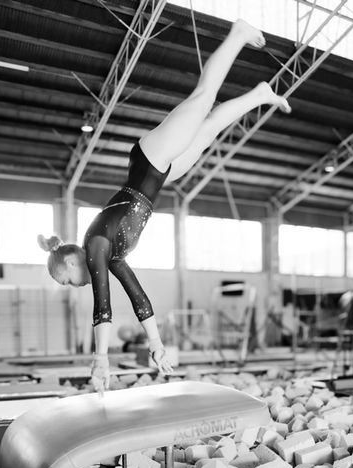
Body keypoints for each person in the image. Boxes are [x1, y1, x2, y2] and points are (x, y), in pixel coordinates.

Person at [38, 19, 291, 393]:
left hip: (150, 160)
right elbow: (137, 296)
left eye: (65, 280)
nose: (72, 285)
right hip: (159, 175)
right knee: (209, 128)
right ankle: (259, 95)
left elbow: (102, 307)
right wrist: (156, 344)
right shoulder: (109, 254)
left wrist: (100, 361)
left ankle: (238, 34)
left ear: (71, 263)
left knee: (203, 96)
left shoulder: (95, 246)